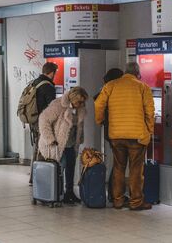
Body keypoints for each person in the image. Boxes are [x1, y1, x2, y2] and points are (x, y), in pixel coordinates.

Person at [94, 62, 155, 211]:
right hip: (137, 136)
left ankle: (118, 201)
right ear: (137, 73)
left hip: (116, 135)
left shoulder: (111, 85)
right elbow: (150, 111)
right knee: (135, 170)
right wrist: (149, 130)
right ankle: (136, 202)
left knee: (119, 168)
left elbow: (98, 104)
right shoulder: (143, 87)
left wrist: (99, 120)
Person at [38, 87, 88, 204]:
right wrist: (50, 139)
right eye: (79, 102)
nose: (81, 104)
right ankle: (56, 194)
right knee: (60, 169)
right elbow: (43, 119)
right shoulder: (58, 105)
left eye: (83, 102)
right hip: (57, 143)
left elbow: (79, 126)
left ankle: (69, 193)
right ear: (73, 98)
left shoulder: (80, 108)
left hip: (71, 143)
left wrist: (79, 140)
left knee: (71, 168)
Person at [93, 68, 124, 202]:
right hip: (117, 132)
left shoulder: (104, 90)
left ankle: (114, 193)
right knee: (119, 164)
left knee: (118, 164)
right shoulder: (112, 91)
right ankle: (114, 194)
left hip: (111, 132)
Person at [29, 62, 58, 184]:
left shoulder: (35, 82)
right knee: (42, 149)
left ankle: (33, 177)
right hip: (43, 122)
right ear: (52, 73)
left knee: (37, 148)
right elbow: (52, 107)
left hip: (34, 120)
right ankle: (39, 178)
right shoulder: (48, 86)